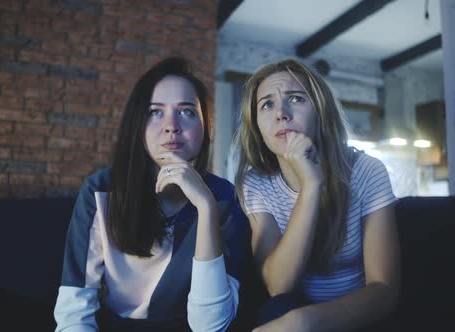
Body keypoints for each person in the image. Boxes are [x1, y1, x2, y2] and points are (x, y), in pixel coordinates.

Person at [54, 57, 249, 332]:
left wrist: (205, 207)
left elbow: (211, 325)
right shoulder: (100, 191)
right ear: (138, 125)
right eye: (155, 112)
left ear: (205, 129)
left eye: (187, 112)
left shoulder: (224, 198)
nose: (172, 126)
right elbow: (74, 314)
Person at [234, 59, 400, 332]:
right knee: (276, 309)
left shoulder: (366, 171)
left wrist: (307, 321)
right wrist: (310, 186)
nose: (281, 113)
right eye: (267, 104)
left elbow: (384, 290)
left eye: (296, 99)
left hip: (357, 317)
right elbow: (278, 285)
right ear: (258, 128)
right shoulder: (256, 183)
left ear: (321, 112)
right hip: (290, 308)